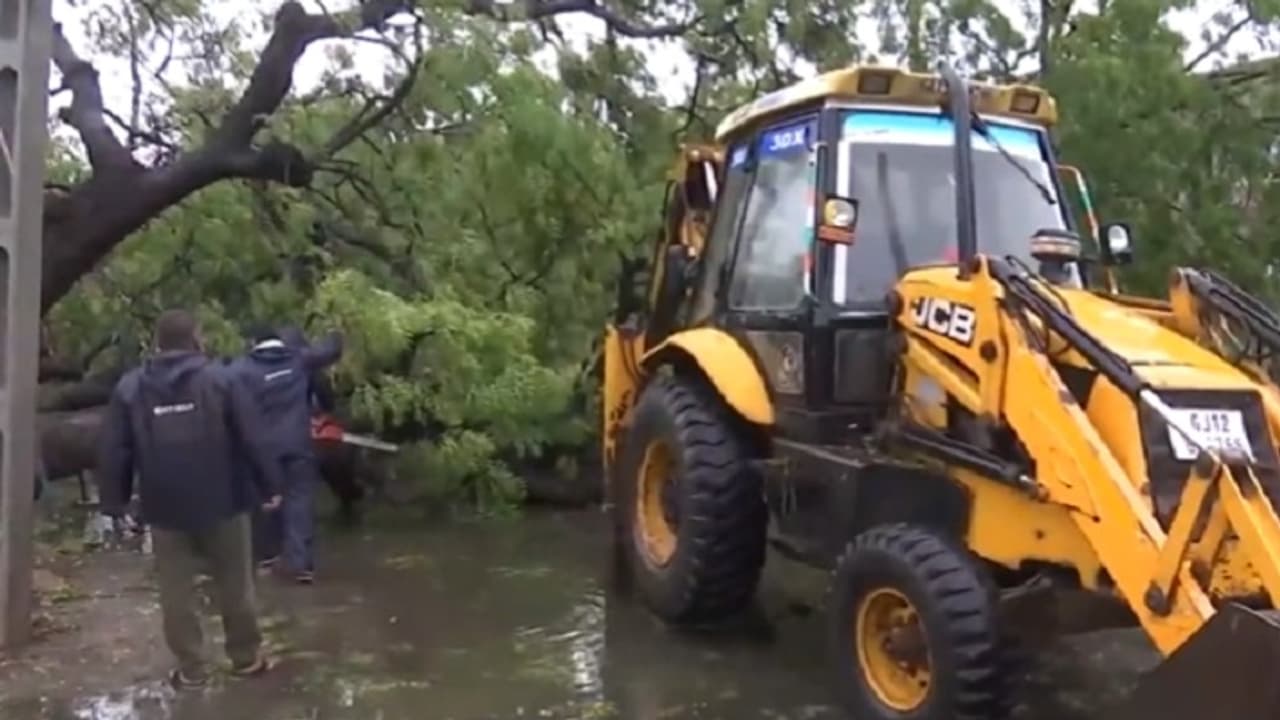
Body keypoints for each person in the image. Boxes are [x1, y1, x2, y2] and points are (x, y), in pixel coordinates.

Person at [97, 309, 283, 689]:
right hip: (225, 500)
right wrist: (271, 485)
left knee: (175, 593)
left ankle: (193, 669)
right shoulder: (223, 380)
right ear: (198, 339)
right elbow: (253, 436)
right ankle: (245, 659)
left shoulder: (130, 388)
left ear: (156, 343)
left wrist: (114, 505)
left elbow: (115, 450)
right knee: (235, 584)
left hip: (164, 507)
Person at [232, 324, 343, 584]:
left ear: (253, 343)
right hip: (297, 444)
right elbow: (332, 350)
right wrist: (339, 330)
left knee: (265, 499)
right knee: (299, 500)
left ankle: (268, 557)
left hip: (260, 450)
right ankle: (299, 563)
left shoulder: (240, 370)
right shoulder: (299, 360)